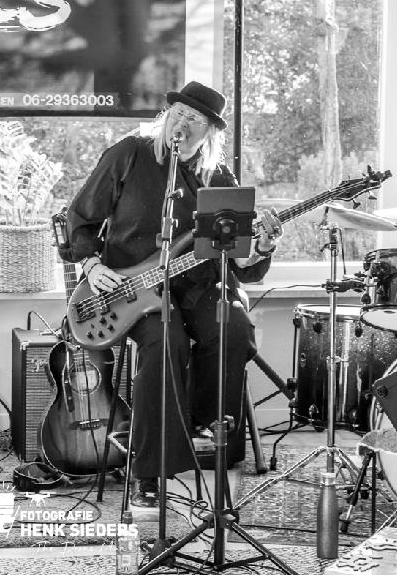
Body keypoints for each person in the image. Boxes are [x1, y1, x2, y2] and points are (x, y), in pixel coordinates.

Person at [67, 81, 280, 507]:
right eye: (178, 112)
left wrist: (262, 246)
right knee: (166, 341)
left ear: (210, 131)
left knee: (234, 328)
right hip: (132, 290)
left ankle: (200, 423)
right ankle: (150, 472)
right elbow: (81, 216)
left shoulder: (220, 178)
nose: (182, 122)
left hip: (200, 284)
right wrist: (93, 266)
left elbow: (242, 263)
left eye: (194, 118)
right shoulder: (129, 154)